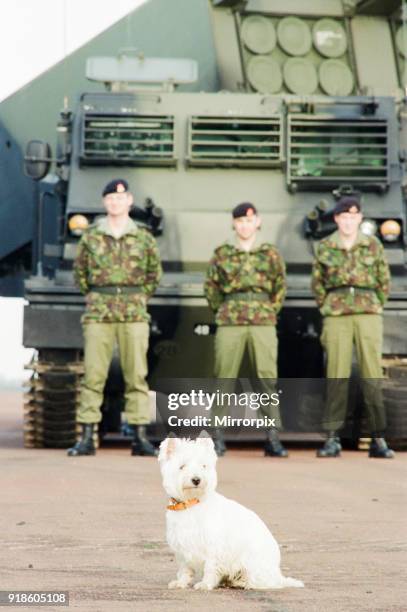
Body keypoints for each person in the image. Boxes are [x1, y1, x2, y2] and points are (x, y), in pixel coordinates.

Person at [67, 179, 162, 457]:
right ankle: (86, 437)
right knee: (94, 376)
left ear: (129, 201)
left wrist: (137, 297)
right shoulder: (92, 236)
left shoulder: (143, 237)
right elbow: (80, 274)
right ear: (105, 202)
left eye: (120, 199)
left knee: (137, 376)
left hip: (133, 312)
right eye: (110, 198)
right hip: (99, 312)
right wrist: (97, 295)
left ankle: (140, 436)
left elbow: (153, 275)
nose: (115, 203)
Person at [311, 195, 395, 458]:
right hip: (337, 316)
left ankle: (379, 439)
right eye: (343, 217)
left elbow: (384, 280)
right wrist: (327, 307)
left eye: (353, 217)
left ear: (360, 218)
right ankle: (332, 437)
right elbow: (318, 283)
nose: (348, 221)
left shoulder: (372, 245)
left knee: (372, 375)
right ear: (337, 218)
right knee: (336, 376)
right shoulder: (325, 247)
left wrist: (376, 305)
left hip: (368, 314)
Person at [204, 203, 287, 457]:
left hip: (262, 320)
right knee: (224, 378)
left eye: (249, 221)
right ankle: (216, 437)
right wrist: (226, 309)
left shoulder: (270, 253)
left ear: (257, 222)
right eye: (240, 221)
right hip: (231, 319)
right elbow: (212, 288)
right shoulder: (222, 253)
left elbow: (279, 287)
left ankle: (273, 437)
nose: (245, 226)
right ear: (234, 224)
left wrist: (268, 309)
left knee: (266, 378)